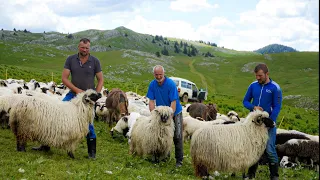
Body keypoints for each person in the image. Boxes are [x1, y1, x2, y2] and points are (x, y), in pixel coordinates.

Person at [32, 38, 104, 159]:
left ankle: (92, 153)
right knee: (56, 115)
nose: (85, 50)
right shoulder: (71, 59)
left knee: (88, 124)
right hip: (73, 93)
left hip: (87, 99)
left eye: (87, 48)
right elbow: (64, 78)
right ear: (78, 47)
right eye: (82, 47)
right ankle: (45, 144)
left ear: (89, 48)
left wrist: (96, 94)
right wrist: (76, 90)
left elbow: (100, 79)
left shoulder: (95, 61)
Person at [243, 63, 282, 180]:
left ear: (267, 74)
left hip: (268, 124)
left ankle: (274, 176)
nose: (257, 78)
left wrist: (270, 121)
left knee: (270, 149)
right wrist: (253, 107)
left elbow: (277, 107)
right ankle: (251, 174)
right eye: (256, 76)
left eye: (260, 75)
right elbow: (245, 101)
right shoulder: (253, 86)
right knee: (253, 148)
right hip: (254, 124)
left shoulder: (275, 88)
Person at [146, 65, 184, 167]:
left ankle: (179, 160)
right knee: (161, 134)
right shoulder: (152, 85)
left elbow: (173, 102)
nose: (158, 77)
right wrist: (153, 114)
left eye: (160, 74)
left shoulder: (170, 84)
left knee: (177, 136)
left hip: (174, 112)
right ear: (154, 74)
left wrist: (170, 117)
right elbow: (151, 101)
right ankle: (164, 156)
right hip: (161, 112)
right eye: (156, 75)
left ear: (164, 73)